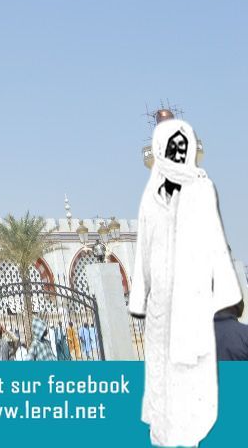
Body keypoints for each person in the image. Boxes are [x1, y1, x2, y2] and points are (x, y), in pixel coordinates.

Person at [128, 118, 241, 447]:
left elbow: (217, 243)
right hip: (161, 301)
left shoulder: (201, 188)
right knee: (163, 374)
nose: (177, 151)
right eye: (171, 146)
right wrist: (139, 300)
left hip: (192, 297)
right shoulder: (151, 196)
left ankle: (194, 430)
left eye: (182, 145)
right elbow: (142, 252)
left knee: (194, 370)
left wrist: (225, 293)